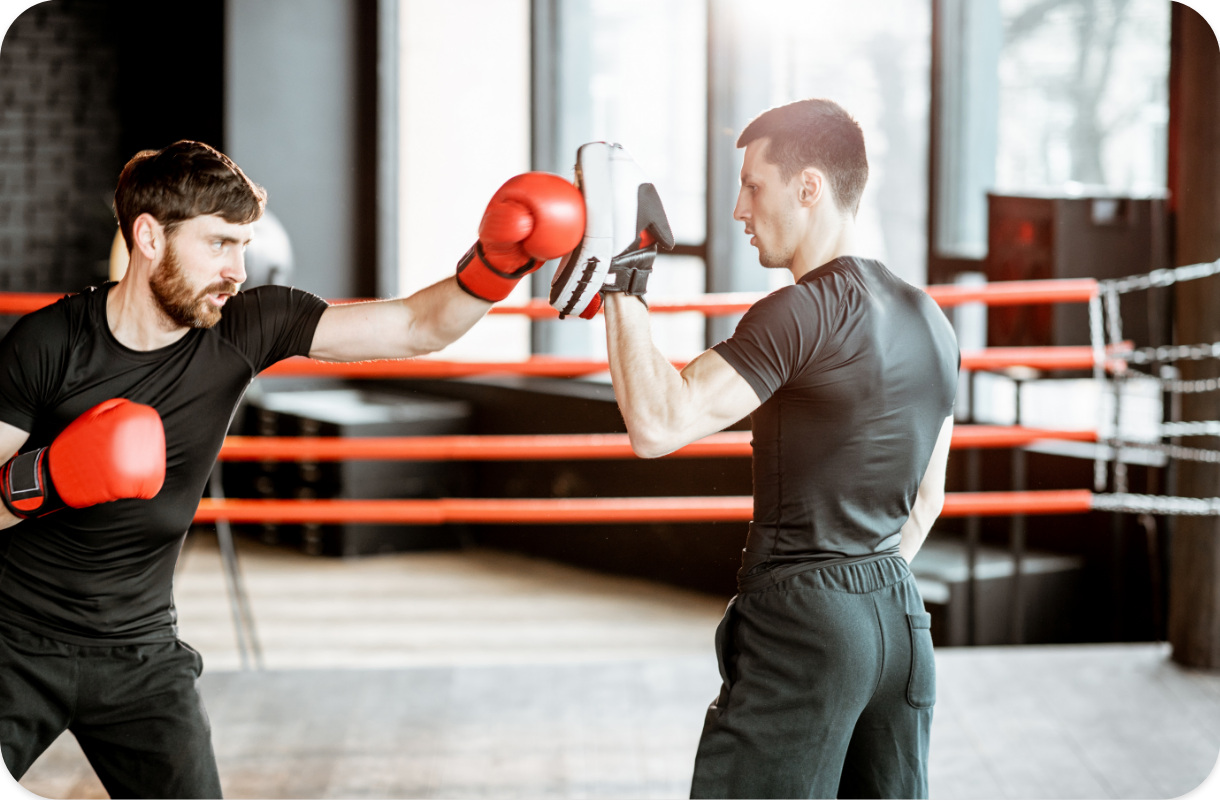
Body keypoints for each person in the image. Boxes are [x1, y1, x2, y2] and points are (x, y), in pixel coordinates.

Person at [0, 140, 584, 798]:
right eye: (219, 244)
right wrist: (48, 479)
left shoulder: (250, 324)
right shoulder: (48, 343)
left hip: (141, 652)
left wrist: (497, 266)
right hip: (14, 641)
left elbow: (416, 327)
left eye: (245, 246)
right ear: (148, 237)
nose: (237, 270)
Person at [565, 100, 959, 798]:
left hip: (806, 622)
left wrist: (624, 278)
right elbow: (926, 502)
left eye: (753, 186)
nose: (740, 210)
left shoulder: (801, 312)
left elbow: (658, 424)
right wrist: (862, 599)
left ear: (808, 187)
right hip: (900, 622)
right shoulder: (932, 319)